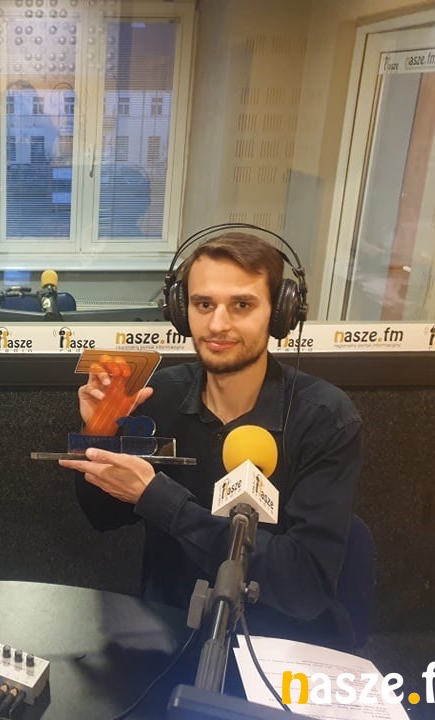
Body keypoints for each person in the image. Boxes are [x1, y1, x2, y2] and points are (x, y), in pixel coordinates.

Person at [61, 232, 363, 649]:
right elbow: (104, 516)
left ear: (280, 313)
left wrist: (161, 500)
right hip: (166, 633)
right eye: (204, 305)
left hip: (272, 644)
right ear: (180, 310)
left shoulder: (324, 419)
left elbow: (304, 584)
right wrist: (101, 432)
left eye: (242, 305)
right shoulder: (159, 396)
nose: (218, 324)